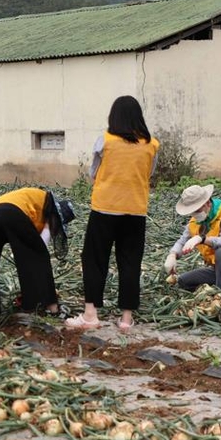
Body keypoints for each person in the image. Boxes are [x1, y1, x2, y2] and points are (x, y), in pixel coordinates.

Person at [66, 95, 159, 332]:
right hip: (136, 211)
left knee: (95, 259)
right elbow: (149, 174)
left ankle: (90, 315)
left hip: (105, 209)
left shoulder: (104, 141)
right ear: (139, 117)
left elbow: (94, 173)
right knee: (130, 262)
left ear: (114, 117)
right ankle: (126, 319)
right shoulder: (152, 145)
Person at [0, 188, 75, 322]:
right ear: (58, 217)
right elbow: (39, 247)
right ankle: (49, 307)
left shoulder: (37, 200)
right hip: (12, 213)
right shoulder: (50, 213)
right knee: (38, 257)